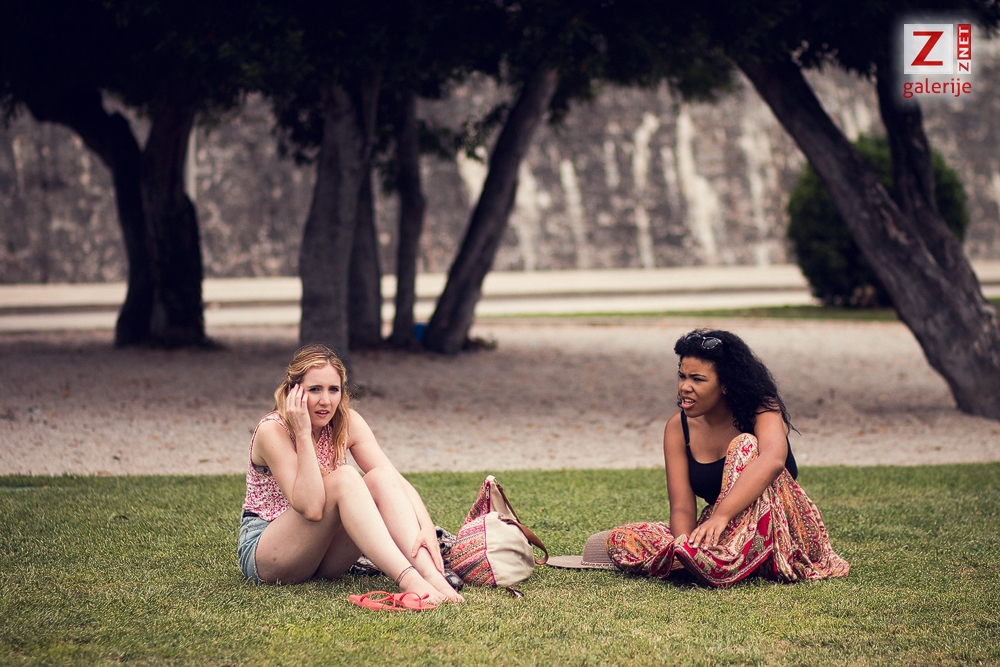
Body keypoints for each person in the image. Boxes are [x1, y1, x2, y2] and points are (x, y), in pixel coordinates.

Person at [606, 329, 849, 586]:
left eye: (697, 379)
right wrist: (684, 545)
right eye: (682, 376)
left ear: (725, 385)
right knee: (621, 538)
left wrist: (721, 516)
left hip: (780, 529)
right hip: (723, 531)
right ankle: (703, 561)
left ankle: (720, 563)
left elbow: (774, 460)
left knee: (745, 444)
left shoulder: (762, 409)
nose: (684, 387)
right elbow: (682, 506)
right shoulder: (678, 427)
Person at [237, 344, 463, 604]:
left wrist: (426, 527)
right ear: (293, 392)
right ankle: (410, 581)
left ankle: (432, 577)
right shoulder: (272, 431)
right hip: (269, 552)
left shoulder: (346, 421)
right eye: (314, 389)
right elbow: (311, 508)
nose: (326, 400)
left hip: (320, 555)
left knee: (380, 477)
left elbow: (394, 479)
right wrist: (303, 434)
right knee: (345, 478)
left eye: (333, 389)